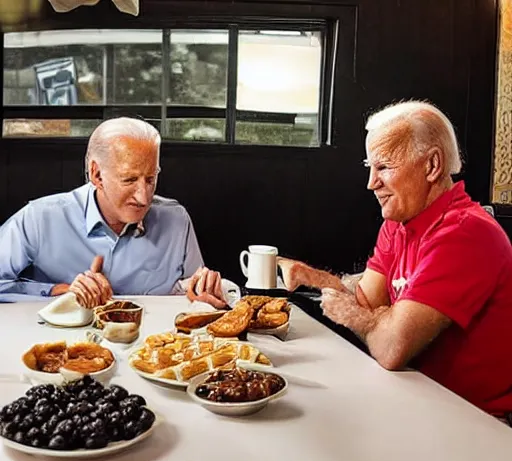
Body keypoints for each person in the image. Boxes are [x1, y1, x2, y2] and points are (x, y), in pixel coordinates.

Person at [278, 101, 512, 417]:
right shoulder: (398, 222)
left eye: (384, 167)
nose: (371, 183)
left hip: (477, 421)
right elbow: (366, 302)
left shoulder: (464, 232)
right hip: (419, 399)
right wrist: (313, 277)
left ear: (432, 165)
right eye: (369, 167)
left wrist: (363, 318)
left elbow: (390, 348)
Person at [0, 117, 226, 309]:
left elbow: (193, 291)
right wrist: (57, 291)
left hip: (155, 352)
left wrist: (203, 292)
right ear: (96, 174)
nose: (143, 197)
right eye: (129, 180)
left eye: (151, 179)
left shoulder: (176, 221)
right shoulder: (39, 219)